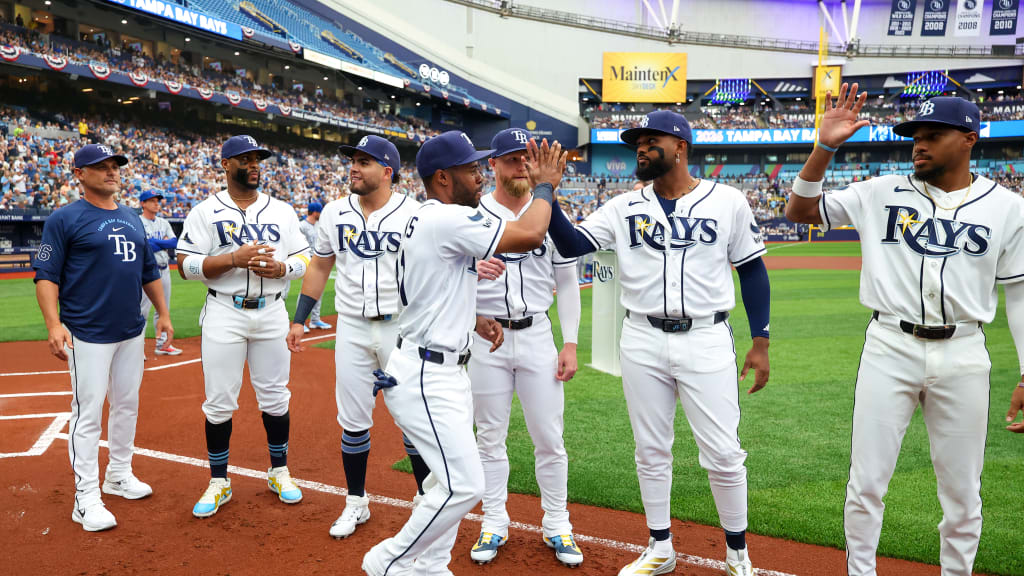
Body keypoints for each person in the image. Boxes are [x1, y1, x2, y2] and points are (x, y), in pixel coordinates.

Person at [784, 88, 1024, 576]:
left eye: (932, 135)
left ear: (969, 139)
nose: (919, 145)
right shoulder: (878, 191)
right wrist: (824, 147)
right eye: (915, 137)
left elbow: (1019, 294)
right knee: (866, 483)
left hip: (964, 352)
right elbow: (800, 212)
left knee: (962, 491)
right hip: (889, 345)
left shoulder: (1008, 208)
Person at [546, 110, 772, 576]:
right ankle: (659, 546)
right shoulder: (622, 207)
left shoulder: (727, 201)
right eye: (638, 143)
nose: (642, 149)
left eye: (652, 141)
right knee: (650, 450)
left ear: (681, 147)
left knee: (724, 453)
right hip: (641, 337)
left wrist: (761, 339)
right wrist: (547, 192)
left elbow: (752, 269)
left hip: (706, 336)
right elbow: (570, 245)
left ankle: (737, 554)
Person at [361, 131, 566, 576]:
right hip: (426, 374)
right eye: (471, 169)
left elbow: (432, 288)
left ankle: (431, 567)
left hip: (440, 365)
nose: (479, 177)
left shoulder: (427, 217)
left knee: (444, 480)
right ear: (442, 178)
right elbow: (531, 233)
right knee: (464, 486)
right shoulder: (446, 218)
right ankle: (387, 562)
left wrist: (472, 318)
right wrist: (545, 186)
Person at [286, 135, 428, 538]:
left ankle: (424, 499)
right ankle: (355, 502)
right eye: (352, 160)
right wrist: (299, 319)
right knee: (352, 419)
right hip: (351, 324)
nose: (353, 167)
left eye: (364, 161)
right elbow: (320, 266)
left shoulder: (415, 214)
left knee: (413, 417)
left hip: (401, 326)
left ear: (387, 171)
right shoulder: (334, 212)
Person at [33, 144, 174, 532]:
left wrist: (162, 314)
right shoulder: (64, 218)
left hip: (131, 329)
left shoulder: (131, 218)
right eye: (101, 166)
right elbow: (46, 276)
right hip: (87, 332)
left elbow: (148, 271)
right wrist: (53, 324)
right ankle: (85, 498)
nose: (112, 171)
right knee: (88, 412)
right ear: (79, 173)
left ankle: (119, 474)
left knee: (127, 404)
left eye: (115, 165)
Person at [175, 135, 311, 518]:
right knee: (219, 400)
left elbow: (304, 257)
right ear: (225, 164)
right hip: (224, 310)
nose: (254, 165)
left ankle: (279, 472)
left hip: (272, 311)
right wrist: (232, 259)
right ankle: (219, 480)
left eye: (257, 159)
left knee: (276, 396)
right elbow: (185, 264)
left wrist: (283, 268)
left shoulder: (281, 211)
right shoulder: (205, 211)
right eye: (245, 159)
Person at [467, 128, 584, 567]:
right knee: (488, 437)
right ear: (492, 164)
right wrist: (470, 275)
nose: (521, 166)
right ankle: (493, 520)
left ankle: (557, 523)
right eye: (512, 158)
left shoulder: (549, 213)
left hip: (537, 334)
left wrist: (570, 343)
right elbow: (443, 275)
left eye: (527, 158)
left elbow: (567, 283)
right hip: (486, 338)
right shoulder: (472, 215)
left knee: (550, 438)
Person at [138, 189, 181, 356]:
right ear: (143, 203)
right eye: (152, 201)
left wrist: (155, 243)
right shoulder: (138, 221)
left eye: (157, 201)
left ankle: (163, 344)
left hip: (164, 270)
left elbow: (174, 242)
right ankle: (137, 348)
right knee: (142, 311)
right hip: (146, 271)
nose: (156, 204)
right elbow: (144, 245)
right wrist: (161, 242)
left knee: (163, 309)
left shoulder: (164, 222)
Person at [298, 201, 331, 332]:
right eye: (319, 212)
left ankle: (315, 320)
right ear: (315, 212)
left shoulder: (318, 225)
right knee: (305, 291)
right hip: (307, 260)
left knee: (319, 291)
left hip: (318, 260)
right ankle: (301, 322)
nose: (321, 214)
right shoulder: (301, 226)